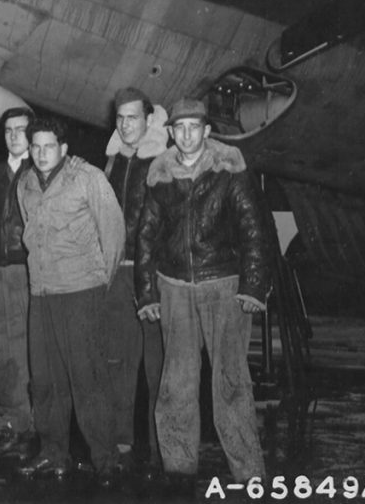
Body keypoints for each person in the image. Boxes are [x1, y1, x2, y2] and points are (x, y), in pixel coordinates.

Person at [135, 98, 272, 490]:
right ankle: (179, 470)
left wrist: (253, 287)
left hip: (223, 287)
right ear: (171, 133)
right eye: (180, 128)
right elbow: (145, 238)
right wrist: (147, 293)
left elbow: (253, 229)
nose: (187, 135)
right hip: (174, 288)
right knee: (176, 382)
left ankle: (249, 475)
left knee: (231, 380)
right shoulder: (159, 177)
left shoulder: (230, 171)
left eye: (194, 127)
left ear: (207, 131)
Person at [16, 116, 124, 486]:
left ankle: (106, 458)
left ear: (63, 149)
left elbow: (113, 232)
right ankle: (52, 453)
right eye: (36, 147)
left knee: (88, 379)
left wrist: (96, 282)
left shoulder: (88, 178)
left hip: (80, 292)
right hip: (42, 293)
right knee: (45, 380)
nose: (42, 154)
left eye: (49, 147)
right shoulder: (26, 183)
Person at [103, 88, 168, 475]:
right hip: (117, 271)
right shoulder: (113, 159)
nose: (126, 125)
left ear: (148, 119)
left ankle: (162, 448)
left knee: (157, 364)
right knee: (118, 361)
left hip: (152, 272)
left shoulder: (162, 159)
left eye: (133, 118)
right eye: (121, 118)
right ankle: (121, 442)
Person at [0, 106, 34, 448]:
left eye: (20, 129)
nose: (14, 135)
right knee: (4, 349)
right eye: (8, 130)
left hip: (27, 267)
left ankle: (33, 425)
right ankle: (17, 421)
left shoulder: (39, 170)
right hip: (0, 268)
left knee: (26, 346)